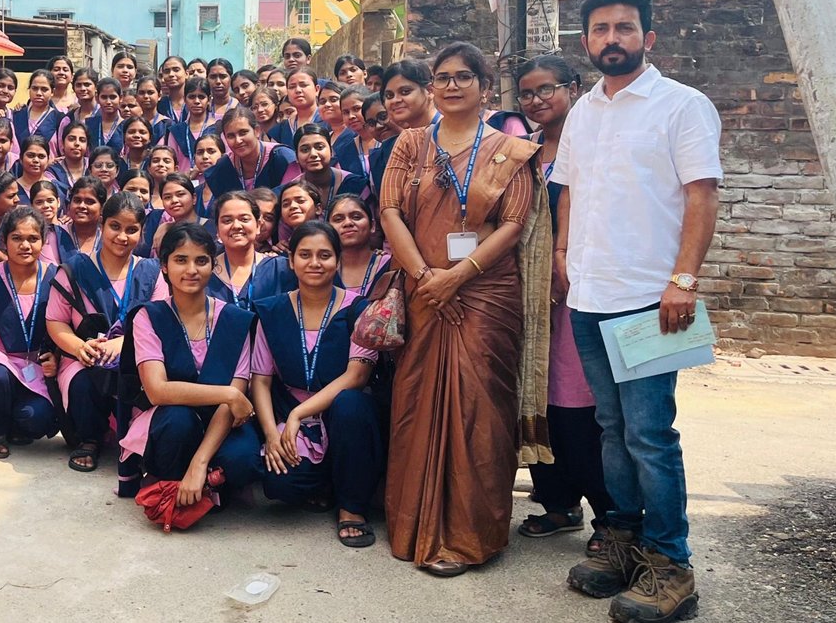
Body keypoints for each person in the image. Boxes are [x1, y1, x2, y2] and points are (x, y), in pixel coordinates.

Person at [555, 0, 721, 623]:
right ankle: (622, 539)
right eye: (600, 29)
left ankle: (671, 565)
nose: (612, 39)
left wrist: (684, 280)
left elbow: (702, 195)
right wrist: (565, 254)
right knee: (610, 427)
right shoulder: (583, 111)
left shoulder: (682, 106)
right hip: (590, 295)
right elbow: (569, 191)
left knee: (651, 434)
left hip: (653, 299)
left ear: (647, 37)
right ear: (586, 40)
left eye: (624, 28)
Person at [378, 42, 545, 578]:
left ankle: (471, 537)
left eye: (463, 77)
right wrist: (427, 277)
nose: (451, 86)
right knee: (416, 402)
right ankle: (413, 526)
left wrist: (458, 275)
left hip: (485, 294)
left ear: (485, 87)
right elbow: (389, 211)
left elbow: (513, 224)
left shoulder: (509, 151)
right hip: (423, 291)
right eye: (443, 77)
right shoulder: (409, 143)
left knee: (480, 407)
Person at [510, 55, 614, 554]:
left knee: (578, 405)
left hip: (577, 295)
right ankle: (558, 503)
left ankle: (610, 516)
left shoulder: (592, 146)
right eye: (526, 93)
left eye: (546, 89)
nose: (536, 100)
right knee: (537, 398)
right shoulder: (524, 152)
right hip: (531, 299)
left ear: (573, 88)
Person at [251, 221, 383, 548]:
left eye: (324, 255)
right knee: (279, 484)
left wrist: (298, 415)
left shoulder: (358, 309)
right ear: (291, 260)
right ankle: (327, 483)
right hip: (292, 418)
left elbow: (356, 376)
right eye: (305, 254)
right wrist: (271, 434)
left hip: (344, 416)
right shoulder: (272, 311)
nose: (314, 263)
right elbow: (261, 381)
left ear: (337, 261)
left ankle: (352, 507)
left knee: (350, 403)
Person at [121, 225, 260, 516]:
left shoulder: (235, 320)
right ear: (164, 266)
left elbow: (233, 402)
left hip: (221, 421)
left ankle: (204, 479)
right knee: (178, 421)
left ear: (213, 265)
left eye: (201, 260)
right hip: (171, 420)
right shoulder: (149, 316)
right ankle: (169, 480)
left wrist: (200, 461)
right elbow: (157, 390)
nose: (191, 270)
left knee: (243, 459)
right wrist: (229, 394)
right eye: (181, 260)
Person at [47, 191, 161, 473]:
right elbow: (56, 321)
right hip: (85, 357)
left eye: (131, 230)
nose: (122, 236)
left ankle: (138, 441)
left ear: (142, 232)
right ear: (102, 225)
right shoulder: (74, 269)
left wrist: (124, 343)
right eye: (115, 226)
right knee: (83, 382)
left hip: (137, 356)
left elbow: (160, 322)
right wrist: (78, 347)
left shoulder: (151, 272)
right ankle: (89, 439)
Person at [0, 207, 61, 458]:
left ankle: (17, 424)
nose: (25, 245)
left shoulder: (56, 277)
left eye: (33, 238)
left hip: (39, 367)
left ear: (43, 241)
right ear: (4, 241)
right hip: (3, 361)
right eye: (17, 238)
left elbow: (65, 326)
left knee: (37, 418)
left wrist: (56, 357)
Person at [204, 107, 297, 201]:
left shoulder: (282, 157)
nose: (238, 140)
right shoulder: (223, 166)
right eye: (231, 136)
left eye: (243, 133)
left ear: (257, 131)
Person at [369, 59, 435, 185]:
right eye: (389, 95)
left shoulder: (449, 133)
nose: (395, 100)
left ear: (430, 90)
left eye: (405, 92)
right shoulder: (400, 143)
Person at [207, 189, 271, 307]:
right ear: (217, 229)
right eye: (227, 221)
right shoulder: (206, 273)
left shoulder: (279, 269)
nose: (236, 226)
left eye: (244, 219)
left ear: (258, 226)